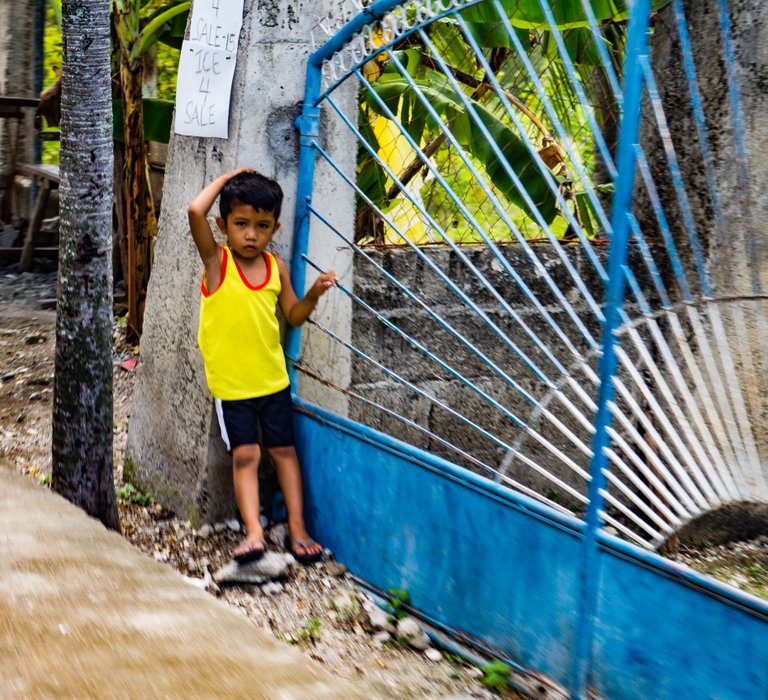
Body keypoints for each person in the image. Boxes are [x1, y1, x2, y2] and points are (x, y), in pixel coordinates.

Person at [188, 168, 336, 565]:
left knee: (285, 453)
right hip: (233, 388)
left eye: (262, 226)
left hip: (272, 382)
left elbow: (294, 314)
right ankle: (254, 532)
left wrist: (315, 294)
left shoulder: (276, 270)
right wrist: (229, 177)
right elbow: (194, 211)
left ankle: (298, 529)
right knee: (246, 456)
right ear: (223, 226)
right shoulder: (218, 264)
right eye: (241, 224)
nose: (251, 234)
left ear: (274, 228)